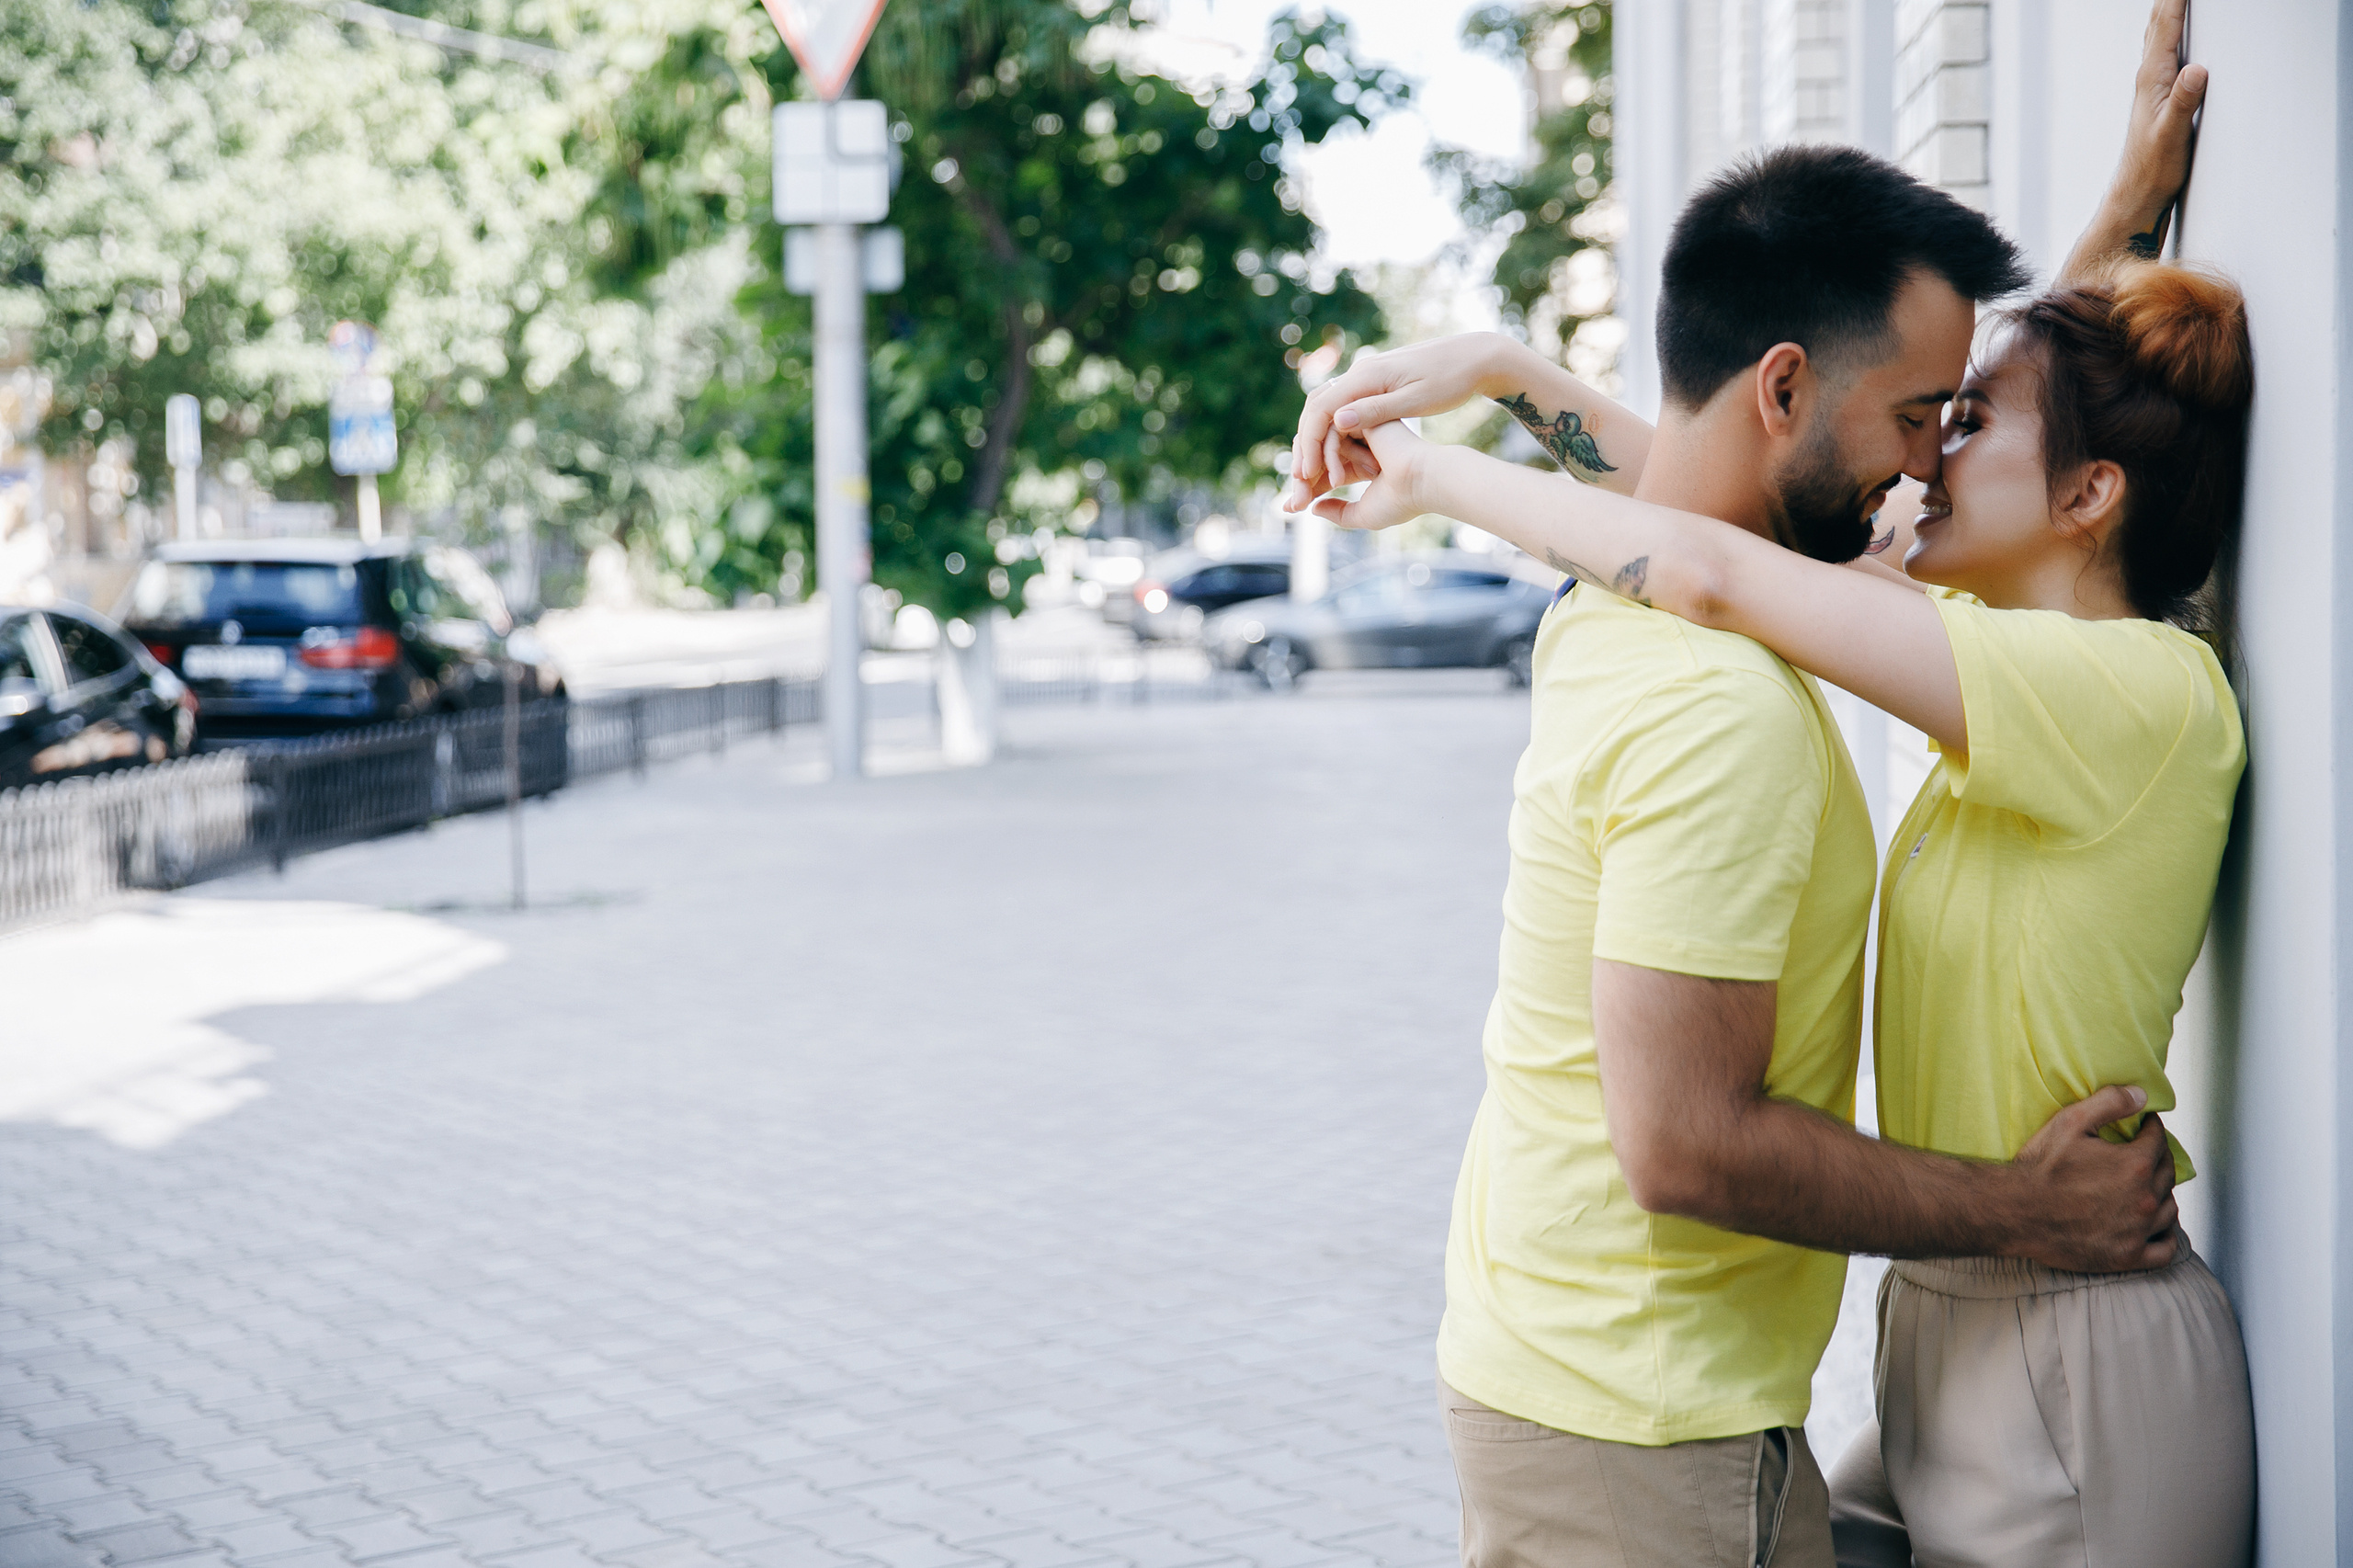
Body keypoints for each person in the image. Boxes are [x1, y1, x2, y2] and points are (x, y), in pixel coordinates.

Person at [1282, 6, 2253, 1563]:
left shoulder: (2060, 678)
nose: (1928, 465)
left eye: (1961, 424)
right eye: (1920, 418)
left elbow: (1714, 514)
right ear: (1788, 391)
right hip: (1710, 1386)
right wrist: (1466, 433)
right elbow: (1723, 528)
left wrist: (1484, 399)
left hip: (1883, 1363)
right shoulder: (1753, 658)